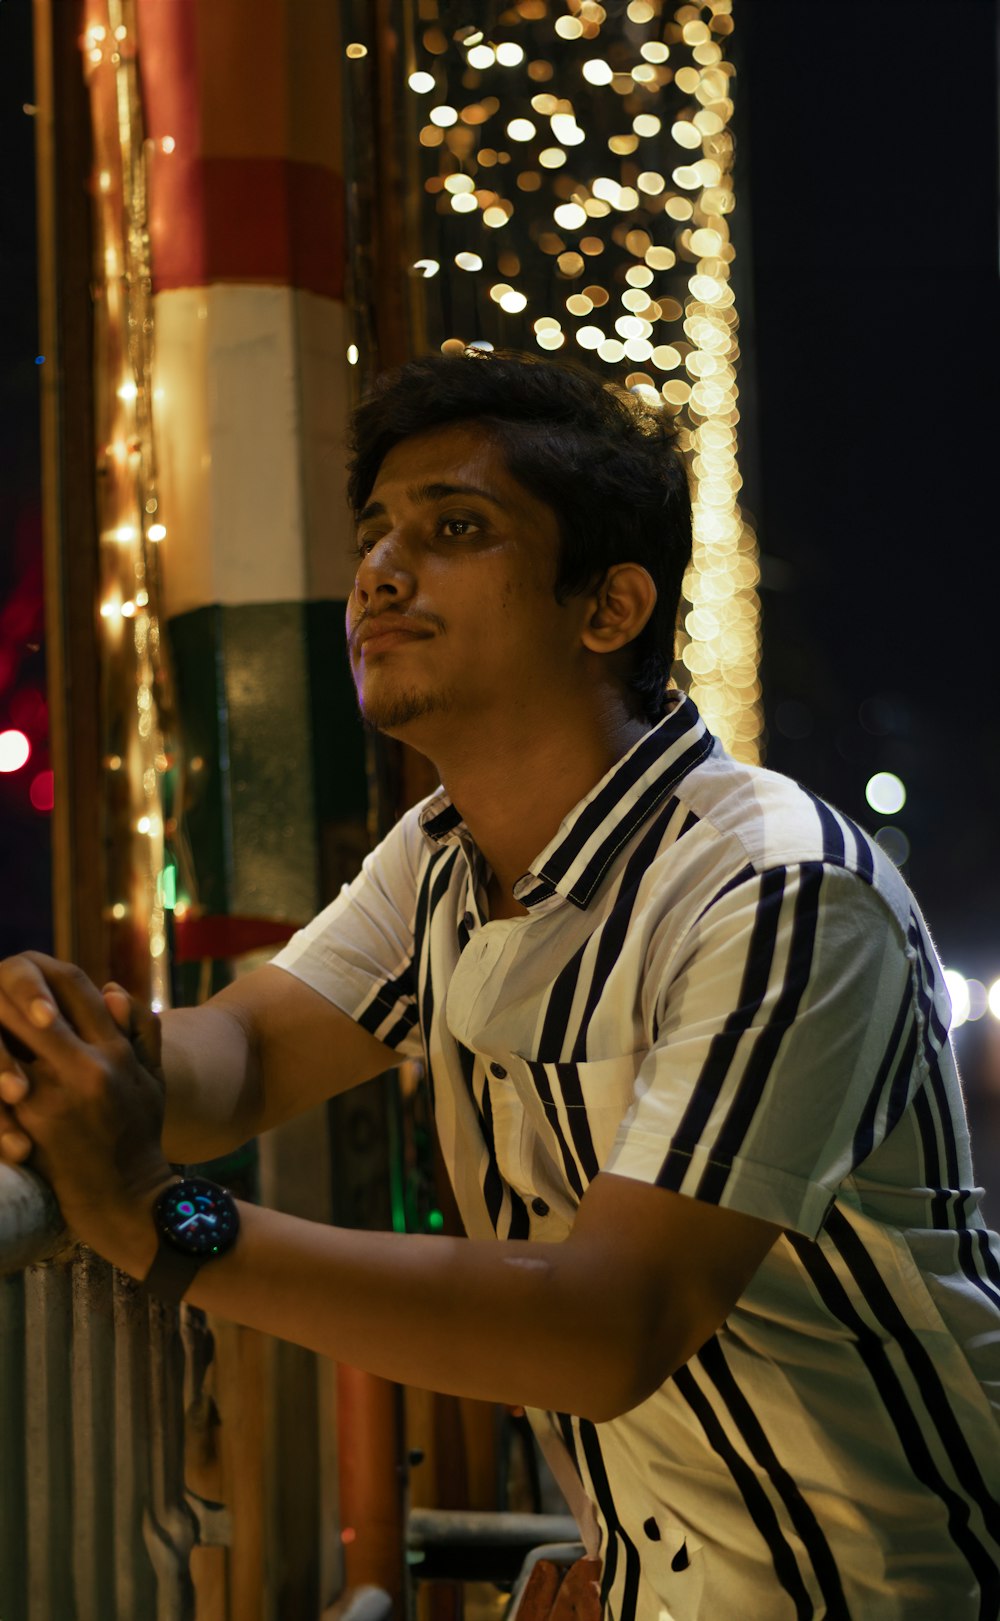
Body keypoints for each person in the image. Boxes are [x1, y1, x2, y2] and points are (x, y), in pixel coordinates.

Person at [1, 350, 998, 1620]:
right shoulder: (441, 861)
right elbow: (241, 1060)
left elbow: (607, 1326)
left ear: (608, 607)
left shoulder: (775, 888)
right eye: (375, 533)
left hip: (888, 1588)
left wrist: (160, 1221)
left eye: (453, 528)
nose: (380, 570)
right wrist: (63, 1046)